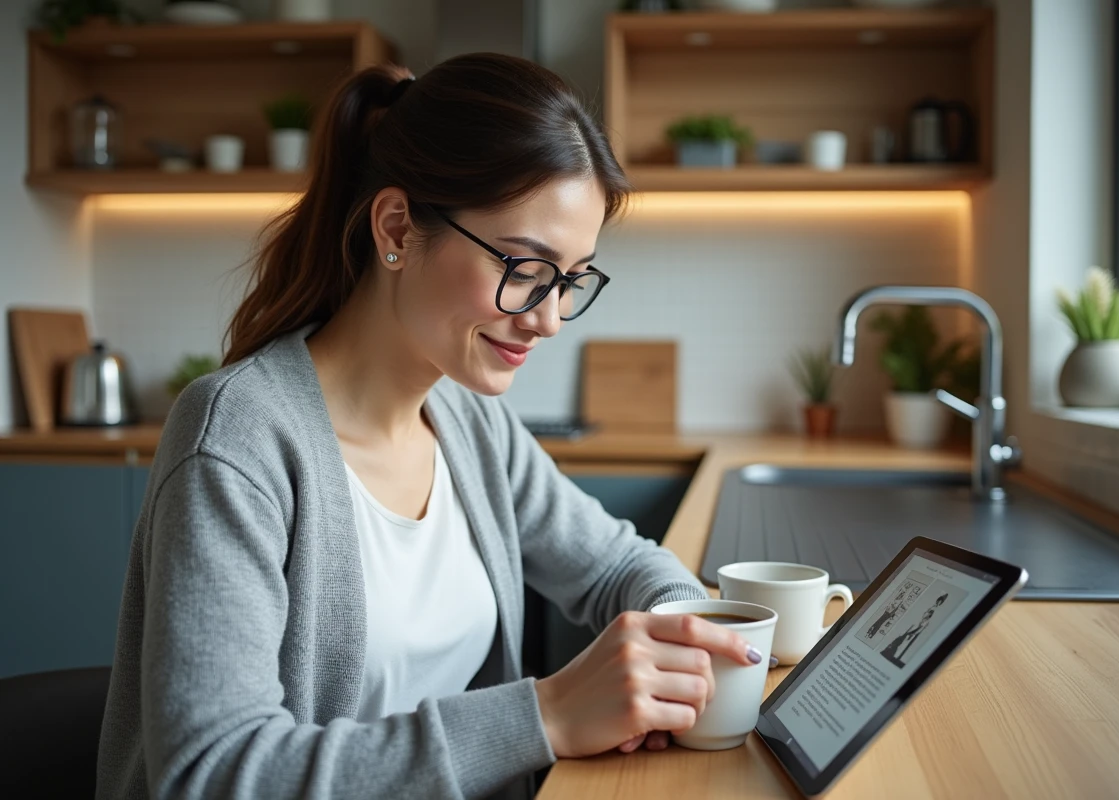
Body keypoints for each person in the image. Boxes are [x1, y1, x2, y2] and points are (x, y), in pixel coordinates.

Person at [94, 55, 763, 800]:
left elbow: (613, 567)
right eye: (524, 266)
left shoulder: (469, 421)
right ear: (397, 227)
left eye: (572, 280)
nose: (547, 318)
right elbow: (211, 775)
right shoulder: (238, 439)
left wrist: (683, 634)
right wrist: (544, 716)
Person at [880, 593, 948, 666]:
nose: (938, 603)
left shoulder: (935, 611)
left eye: (940, 602)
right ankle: (888, 652)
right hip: (915, 624)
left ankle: (892, 655)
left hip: (920, 626)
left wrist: (919, 629)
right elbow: (924, 614)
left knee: (904, 642)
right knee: (900, 638)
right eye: (938, 601)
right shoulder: (932, 607)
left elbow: (927, 620)